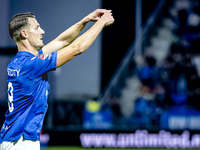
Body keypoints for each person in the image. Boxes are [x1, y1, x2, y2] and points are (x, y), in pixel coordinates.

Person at [0, 9, 114, 150]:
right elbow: (77, 48)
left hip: (14, 138)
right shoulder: (31, 65)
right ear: (24, 34)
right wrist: (101, 23)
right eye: (36, 28)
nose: (42, 31)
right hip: (21, 141)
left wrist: (85, 20)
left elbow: (63, 40)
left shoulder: (21, 62)